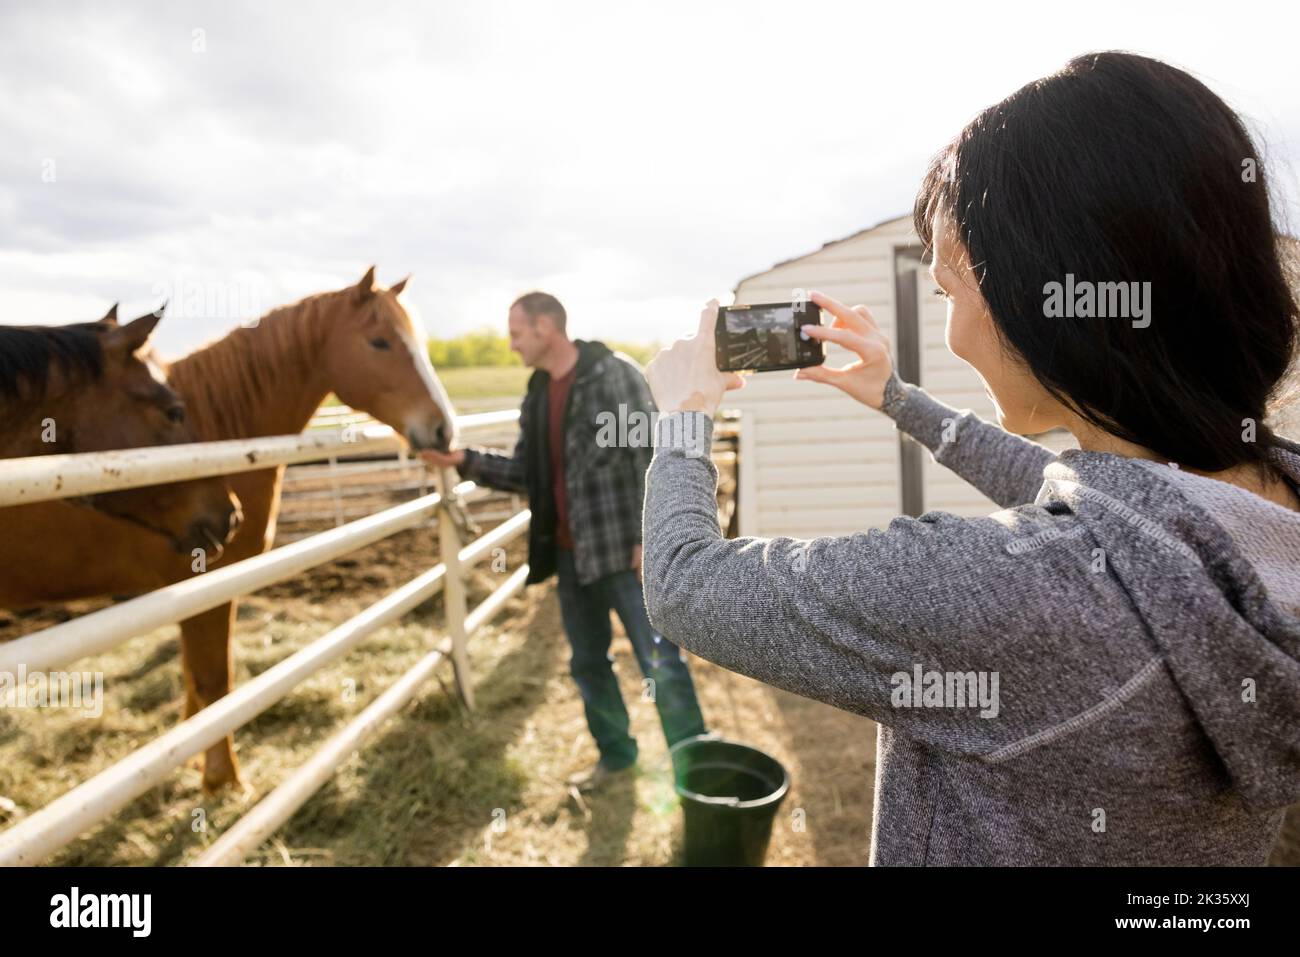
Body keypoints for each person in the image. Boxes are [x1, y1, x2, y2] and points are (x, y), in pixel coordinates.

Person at [640, 51, 1300, 865]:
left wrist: (684, 413)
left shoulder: (1008, 589)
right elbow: (1108, 504)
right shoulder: (1263, 504)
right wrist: (895, 396)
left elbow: (684, 584)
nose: (950, 326)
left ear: (1038, 298)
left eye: (951, 293)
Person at [421, 292, 708, 791]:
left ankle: (696, 770)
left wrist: (650, 538)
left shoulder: (612, 375)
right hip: (571, 557)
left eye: (517, 333)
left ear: (546, 327)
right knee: (588, 663)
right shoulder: (536, 395)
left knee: (660, 663)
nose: (511, 345)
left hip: (624, 550)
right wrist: (464, 460)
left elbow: (650, 455)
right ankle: (617, 758)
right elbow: (526, 472)